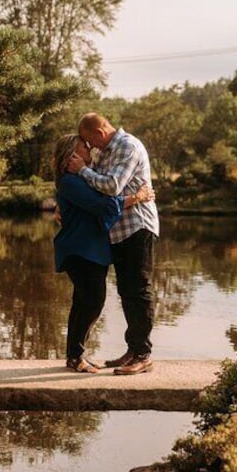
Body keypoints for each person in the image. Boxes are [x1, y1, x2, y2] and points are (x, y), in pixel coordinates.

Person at [66, 113, 159, 376]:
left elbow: (112, 186)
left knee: (138, 289)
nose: (91, 147)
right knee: (127, 292)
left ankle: (143, 354)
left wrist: (81, 170)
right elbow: (92, 191)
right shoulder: (106, 152)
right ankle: (133, 350)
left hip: (137, 226)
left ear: (99, 132)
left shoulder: (127, 146)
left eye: (89, 141)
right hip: (117, 230)